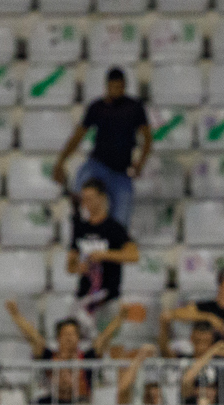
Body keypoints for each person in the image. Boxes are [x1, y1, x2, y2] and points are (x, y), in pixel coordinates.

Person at [52, 67, 151, 228]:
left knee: (120, 226)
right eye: (113, 87)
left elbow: (147, 138)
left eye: (120, 87)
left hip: (121, 173)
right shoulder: (97, 107)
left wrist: (141, 162)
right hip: (97, 166)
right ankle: (79, 232)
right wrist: (61, 161)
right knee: (81, 197)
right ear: (107, 86)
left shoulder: (134, 107)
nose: (117, 91)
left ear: (125, 86)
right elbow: (78, 137)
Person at [67, 178, 140, 327]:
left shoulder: (115, 228)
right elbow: (70, 264)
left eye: (90, 198)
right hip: (84, 296)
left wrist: (105, 255)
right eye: (84, 199)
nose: (86, 203)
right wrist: (78, 267)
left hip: (108, 297)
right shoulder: (81, 228)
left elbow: (133, 255)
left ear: (102, 198)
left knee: (110, 341)